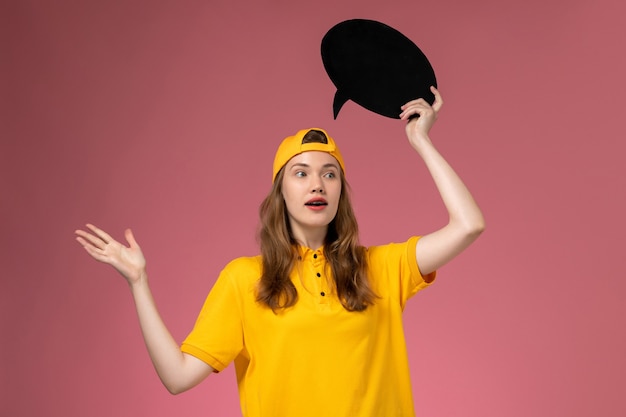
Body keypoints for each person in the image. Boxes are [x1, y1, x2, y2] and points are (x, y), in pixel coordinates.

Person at [75, 87, 485, 417]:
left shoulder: (380, 267)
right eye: (300, 173)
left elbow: (469, 225)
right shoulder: (244, 280)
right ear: (281, 192)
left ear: (341, 192)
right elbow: (178, 377)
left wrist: (421, 141)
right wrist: (138, 282)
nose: (317, 185)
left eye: (329, 174)